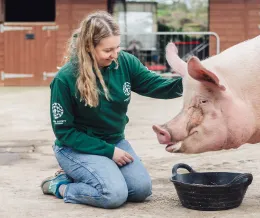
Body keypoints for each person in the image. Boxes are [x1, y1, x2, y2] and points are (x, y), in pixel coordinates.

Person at [40, 11, 183, 209]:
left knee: (141, 190)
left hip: (113, 140)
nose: (115, 55)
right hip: (76, 147)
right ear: (89, 47)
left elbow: (155, 85)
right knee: (113, 195)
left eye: (117, 47)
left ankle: (89, 174)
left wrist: (192, 81)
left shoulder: (124, 62)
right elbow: (65, 132)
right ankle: (61, 186)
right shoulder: (65, 79)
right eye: (108, 50)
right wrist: (108, 152)